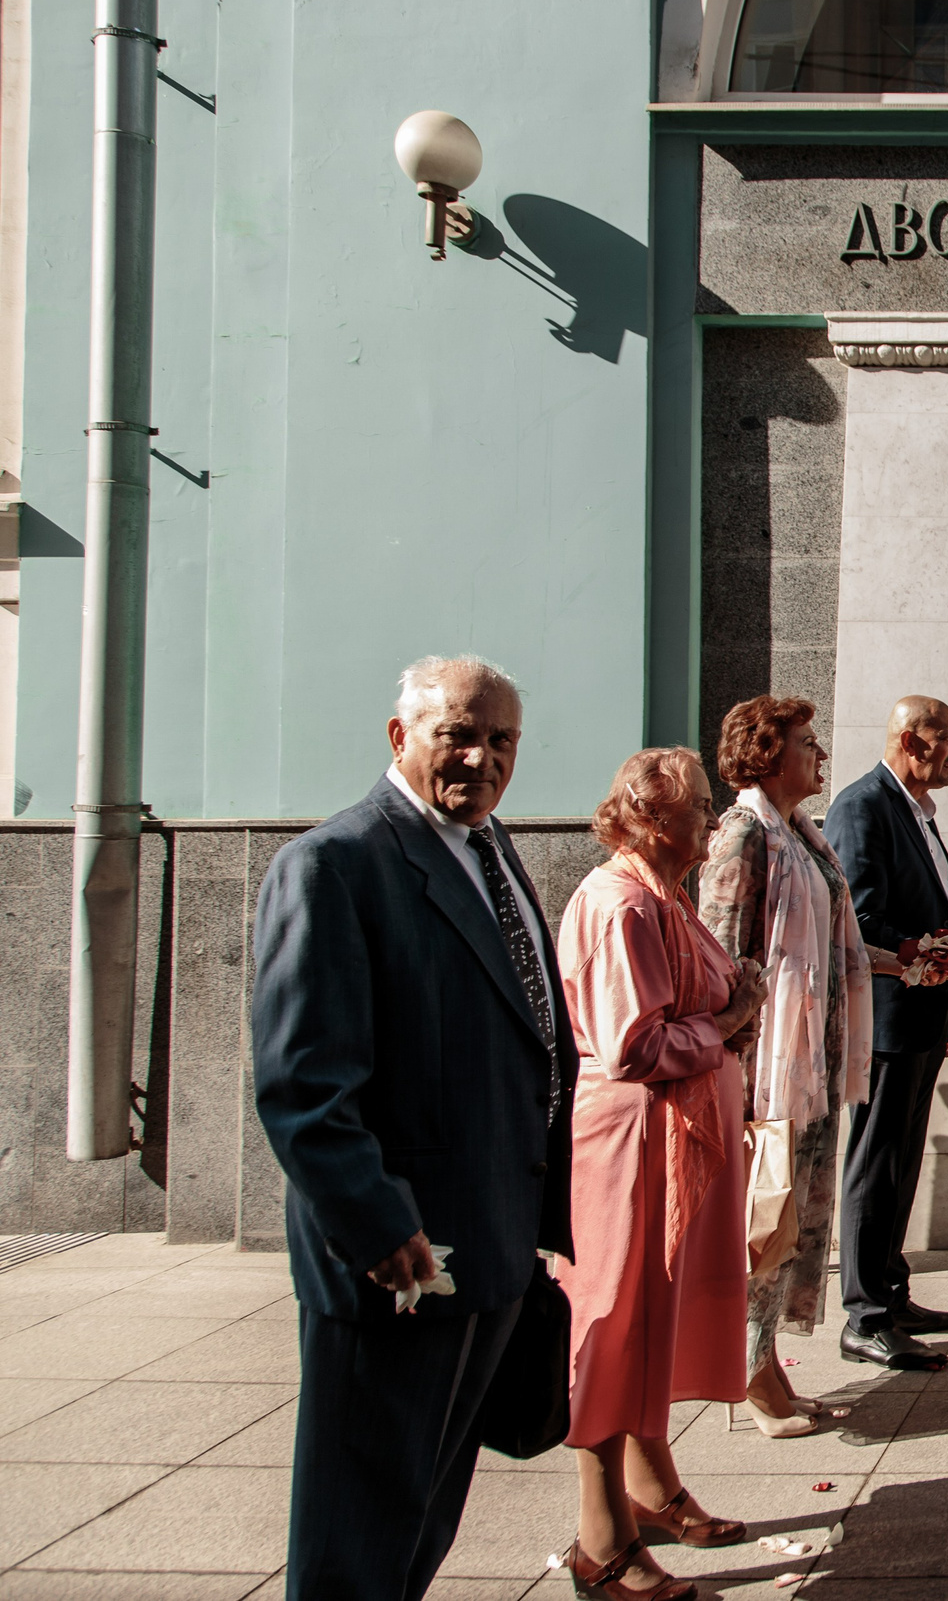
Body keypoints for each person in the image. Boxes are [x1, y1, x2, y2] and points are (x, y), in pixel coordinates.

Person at [252, 654, 576, 1601]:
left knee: (421, 1518)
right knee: (358, 1534)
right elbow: (303, 1082)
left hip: (490, 1240)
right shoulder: (335, 864)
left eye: (502, 739)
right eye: (458, 735)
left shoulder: (487, 846)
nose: (483, 757)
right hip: (403, 1258)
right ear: (401, 736)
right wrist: (376, 1221)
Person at [554, 747, 768, 1600]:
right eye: (700, 806)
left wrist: (731, 1009)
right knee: (615, 1328)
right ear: (651, 818)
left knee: (648, 1326)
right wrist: (730, 1020)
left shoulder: (665, 897)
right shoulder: (622, 904)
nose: (713, 820)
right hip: (628, 1147)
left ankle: (651, 1488)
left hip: (665, 1137)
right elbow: (634, 1046)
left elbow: (697, 1009)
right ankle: (599, 1541)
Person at [700, 694, 874, 1436]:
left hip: (812, 1059)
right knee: (765, 1217)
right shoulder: (745, 833)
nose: (820, 753)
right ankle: (747, 1373)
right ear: (768, 753)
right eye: (807, 741)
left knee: (791, 1215)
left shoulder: (800, 832)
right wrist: (733, 1063)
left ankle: (763, 1360)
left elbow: (834, 944)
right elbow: (720, 949)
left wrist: (915, 962)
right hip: (769, 1064)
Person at [825, 695, 948, 1368]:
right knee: (874, 1163)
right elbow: (861, 925)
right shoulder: (861, 808)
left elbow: (936, 912)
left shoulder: (915, 810)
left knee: (899, 1164)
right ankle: (864, 1316)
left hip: (923, 1016)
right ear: (911, 740)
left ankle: (892, 1294)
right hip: (887, 1023)